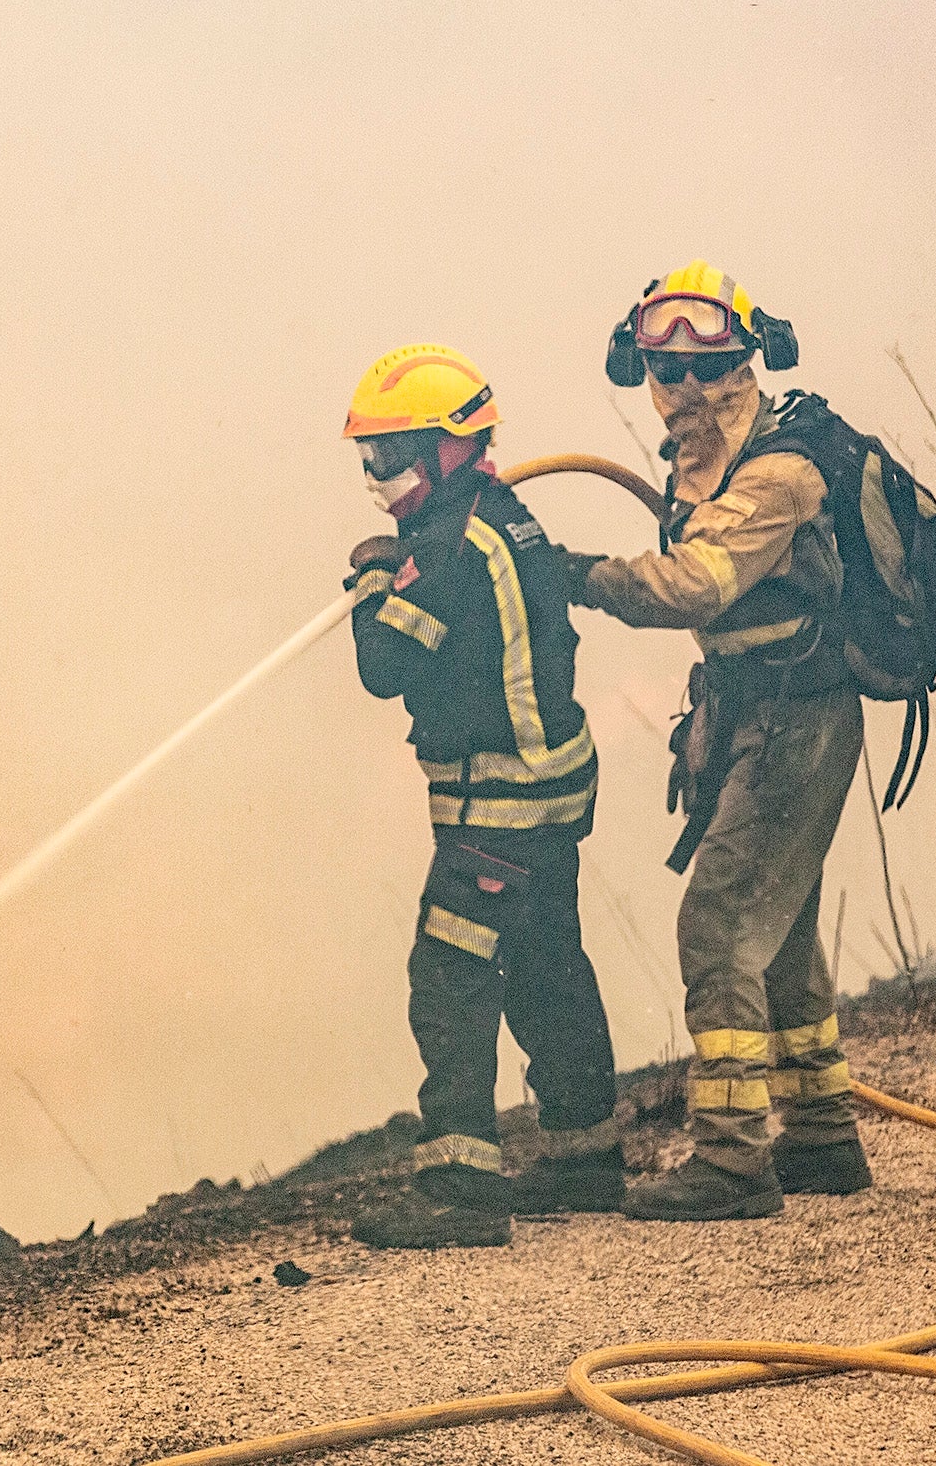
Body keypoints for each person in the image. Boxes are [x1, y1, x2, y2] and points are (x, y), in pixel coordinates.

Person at [560, 263, 873, 1221]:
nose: (688, 383)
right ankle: (822, 1136)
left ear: (748, 359)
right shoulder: (706, 463)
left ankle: (733, 1160)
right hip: (756, 710)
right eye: (666, 365)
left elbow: (695, 585)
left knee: (719, 922)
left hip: (797, 718)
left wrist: (572, 575)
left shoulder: (779, 472)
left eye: (710, 362)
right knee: (780, 933)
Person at [338, 343, 624, 1250]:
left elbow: (385, 664)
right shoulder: (508, 522)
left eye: (389, 451)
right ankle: (586, 1154)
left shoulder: (447, 546)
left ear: (449, 443)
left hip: (495, 805)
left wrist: (369, 577)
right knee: (546, 965)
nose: (377, 471)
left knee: (450, 974)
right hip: (550, 798)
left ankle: (460, 1187)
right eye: (368, 454)